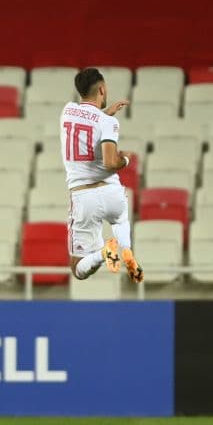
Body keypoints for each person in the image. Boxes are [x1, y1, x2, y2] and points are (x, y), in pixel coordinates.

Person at [61, 68, 143, 283]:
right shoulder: (108, 122)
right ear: (102, 89)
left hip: (84, 196)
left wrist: (104, 113)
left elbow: (85, 122)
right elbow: (109, 162)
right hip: (112, 192)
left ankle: (104, 253)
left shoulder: (67, 111)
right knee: (121, 219)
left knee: (78, 269)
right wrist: (125, 159)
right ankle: (128, 252)